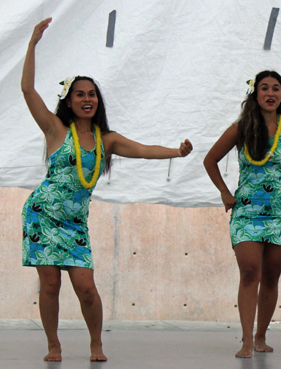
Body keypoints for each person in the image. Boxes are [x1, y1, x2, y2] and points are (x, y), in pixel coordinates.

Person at [21, 18, 193, 362]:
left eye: (92, 94)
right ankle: (54, 345)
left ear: (98, 101)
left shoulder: (106, 141)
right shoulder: (56, 130)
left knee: (86, 289)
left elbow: (143, 149)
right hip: (42, 217)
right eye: (80, 95)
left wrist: (177, 151)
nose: (87, 99)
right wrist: (32, 44)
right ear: (68, 102)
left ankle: (95, 343)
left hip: (74, 225)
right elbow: (27, 91)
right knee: (50, 286)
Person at [204, 70, 281, 358]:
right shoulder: (241, 129)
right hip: (247, 212)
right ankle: (246, 340)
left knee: (271, 276)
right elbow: (210, 159)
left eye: (276, 89)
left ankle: (261, 336)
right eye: (264, 88)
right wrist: (225, 192)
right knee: (250, 271)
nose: (270, 93)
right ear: (255, 94)